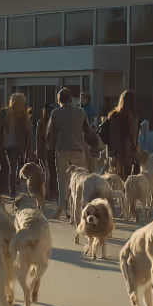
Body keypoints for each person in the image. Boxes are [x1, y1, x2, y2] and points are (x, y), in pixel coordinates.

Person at [46, 87, 100, 220]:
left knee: (63, 180)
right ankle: (81, 207)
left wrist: (50, 147)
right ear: (71, 99)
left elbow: (50, 133)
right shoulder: (81, 112)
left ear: (59, 100)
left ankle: (62, 205)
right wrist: (95, 145)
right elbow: (88, 132)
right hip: (78, 151)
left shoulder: (55, 113)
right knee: (80, 181)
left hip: (62, 151)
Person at [0, 92, 35, 200]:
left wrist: (29, 150)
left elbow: (29, 135)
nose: (19, 109)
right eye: (17, 105)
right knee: (4, 167)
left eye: (21, 106)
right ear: (12, 104)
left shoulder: (24, 118)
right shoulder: (1, 114)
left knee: (13, 167)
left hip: (15, 146)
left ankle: (12, 191)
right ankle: (3, 190)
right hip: (1, 144)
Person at [105, 90, 138, 180]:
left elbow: (109, 135)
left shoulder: (113, 116)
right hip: (127, 154)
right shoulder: (132, 118)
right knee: (126, 180)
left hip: (114, 153)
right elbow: (133, 137)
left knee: (114, 180)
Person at [36, 102, 57, 203]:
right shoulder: (42, 123)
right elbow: (39, 139)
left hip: (50, 150)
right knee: (48, 173)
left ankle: (50, 193)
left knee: (50, 173)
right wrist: (38, 150)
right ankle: (47, 193)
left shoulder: (50, 122)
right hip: (45, 150)